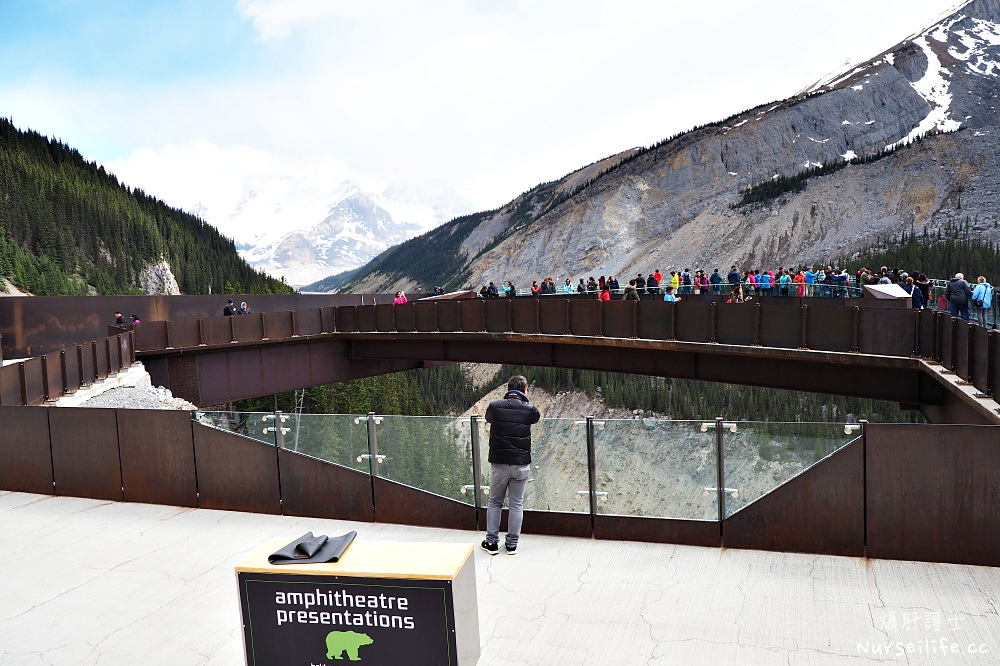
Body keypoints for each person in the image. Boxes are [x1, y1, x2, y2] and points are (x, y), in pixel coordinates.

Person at [481, 375, 541, 555]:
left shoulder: (495, 407)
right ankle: (512, 545)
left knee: (495, 502)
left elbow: (489, 418)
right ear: (524, 390)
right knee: (516, 503)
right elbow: (535, 417)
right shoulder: (529, 409)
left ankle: (491, 543)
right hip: (521, 464)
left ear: (508, 389)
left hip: (499, 463)